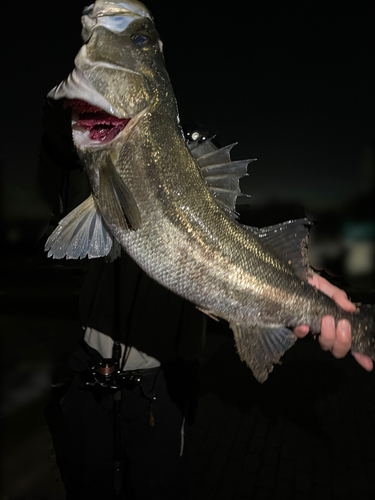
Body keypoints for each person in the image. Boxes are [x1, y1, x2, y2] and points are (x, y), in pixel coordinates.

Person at [40, 106, 372, 500]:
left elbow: (227, 241)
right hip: (88, 371)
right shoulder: (106, 169)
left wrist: (298, 276)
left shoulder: (198, 219)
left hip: (161, 389)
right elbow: (63, 146)